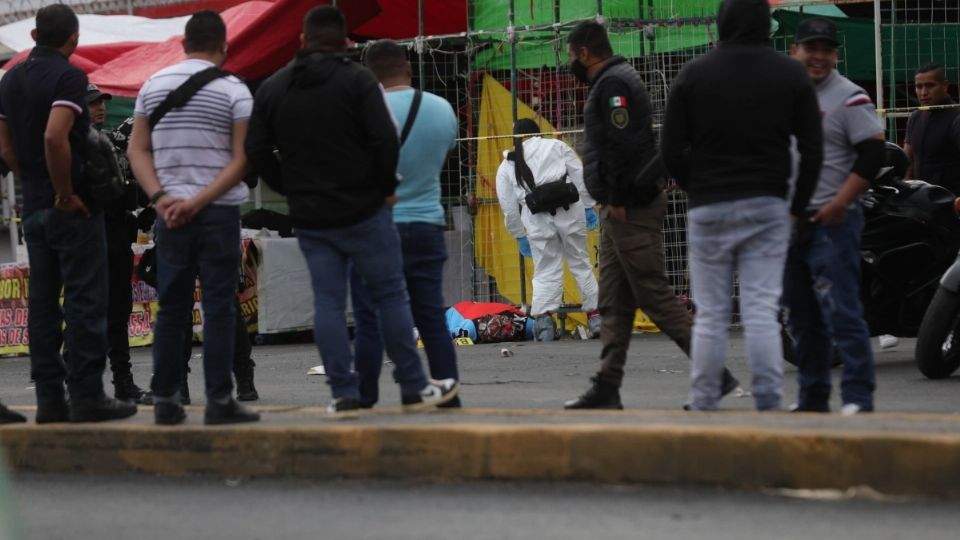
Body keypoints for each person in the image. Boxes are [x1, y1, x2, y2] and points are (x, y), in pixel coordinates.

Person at [245, 6, 459, 417]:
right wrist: (384, 189)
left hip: (310, 216)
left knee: (327, 301)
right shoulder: (358, 81)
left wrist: (290, 187)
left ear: (303, 41)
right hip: (364, 211)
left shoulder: (274, 87)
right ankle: (414, 386)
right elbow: (384, 140)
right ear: (344, 43)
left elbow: (255, 150)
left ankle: (343, 393)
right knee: (390, 295)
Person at [562, 20, 740, 410]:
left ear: (585, 53)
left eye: (571, 56)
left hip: (630, 206)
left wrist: (620, 197)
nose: (570, 63)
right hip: (617, 206)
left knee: (654, 296)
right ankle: (607, 384)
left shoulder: (612, 85)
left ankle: (714, 375)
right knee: (613, 299)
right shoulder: (612, 80)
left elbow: (624, 146)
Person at [660, 0, 823, 411]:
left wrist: (694, 185)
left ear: (720, 24)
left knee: (712, 313)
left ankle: (703, 400)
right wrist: (797, 206)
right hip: (768, 205)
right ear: (764, 26)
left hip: (708, 206)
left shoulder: (694, 74)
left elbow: (670, 147)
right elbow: (813, 149)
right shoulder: (789, 74)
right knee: (761, 309)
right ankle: (768, 401)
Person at [0, 5, 136, 423]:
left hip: (34, 208)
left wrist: (37, 184)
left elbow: (5, 147)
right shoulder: (69, 76)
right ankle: (86, 394)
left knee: (43, 303)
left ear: (36, 34)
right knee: (84, 300)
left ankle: (49, 399)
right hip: (70, 206)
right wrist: (62, 192)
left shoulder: (11, 77)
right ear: (73, 39)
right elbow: (54, 135)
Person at [128, 10, 259, 425]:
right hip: (217, 213)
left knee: (172, 307)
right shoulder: (235, 90)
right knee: (220, 305)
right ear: (224, 46)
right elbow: (242, 159)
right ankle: (220, 401)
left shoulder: (152, 84)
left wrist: (162, 197)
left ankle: (166, 398)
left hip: (170, 215)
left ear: (183, 44)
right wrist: (199, 200)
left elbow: (137, 150)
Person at [348, 39, 461, 409]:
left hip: (375, 227)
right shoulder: (442, 109)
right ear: (408, 68)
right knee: (430, 315)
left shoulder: (361, 111)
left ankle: (364, 398)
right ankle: (447, 394)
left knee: (369, 318)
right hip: (427, 225)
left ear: (367, 74)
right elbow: (443, 155)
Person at [786, 17, 886, 415]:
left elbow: (873, 153)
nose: (819, 57)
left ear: (835, 55)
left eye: (826, 50)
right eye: (811, 48)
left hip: (834, 222)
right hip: (792, 223)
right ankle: (812, 398)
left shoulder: (850, 97)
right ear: (795, 51)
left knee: (842, 311)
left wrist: (840, 203)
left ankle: (859, 398)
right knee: (801, 316)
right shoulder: (786, 96)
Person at [495, 118, 601, 342]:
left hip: (537, 221)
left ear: (516, 137)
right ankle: (596, 316)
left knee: (545, 269)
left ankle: (544, 324)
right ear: (537, 133)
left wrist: (519, 235)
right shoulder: (557, 146)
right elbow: (580, 176)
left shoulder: (507, 164)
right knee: (580, 263)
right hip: (571, 212)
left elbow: (509, 208)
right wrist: (590, 205)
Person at [86, 84, 148, 403]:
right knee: (91, 313)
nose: (100, 108)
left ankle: (123, 381)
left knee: (118, 312)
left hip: (116, 236)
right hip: (91, 237)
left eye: (102, 102)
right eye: (92, 103)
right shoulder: (76, 145)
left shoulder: (111, 142)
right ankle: (86, 387)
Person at [904, 63, 960, 193]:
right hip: (921, 200)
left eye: (930, 86)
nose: (923, 93)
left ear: (945, 86)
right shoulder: (915, 117)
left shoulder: (956, 117)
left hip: (952, 200)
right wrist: (905, 186)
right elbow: (906, 160)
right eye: (919, 87)